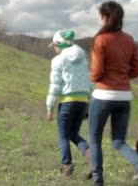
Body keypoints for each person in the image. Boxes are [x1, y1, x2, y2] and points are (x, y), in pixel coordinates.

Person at [87, 1, 138, 186]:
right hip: (124, 96)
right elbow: (137, 69)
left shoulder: (100, 39)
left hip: (103, 95)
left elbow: (95, 73)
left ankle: (98, 180)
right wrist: (122, 77)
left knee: (94, 140)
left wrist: (97, 78)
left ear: (104, 17)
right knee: (119, 141)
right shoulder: (129, 39)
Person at [46, 29, 93, 178]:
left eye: (54, 45)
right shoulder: (83, 59)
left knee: (64, 136)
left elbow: (55, 86)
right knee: (73, 133)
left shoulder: (58, 60)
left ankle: (67, 167)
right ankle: (91, 157)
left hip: (67, 102)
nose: (54, 48)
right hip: (83, 102)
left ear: (59, 44)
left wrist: (49, 107)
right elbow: (89, 83)